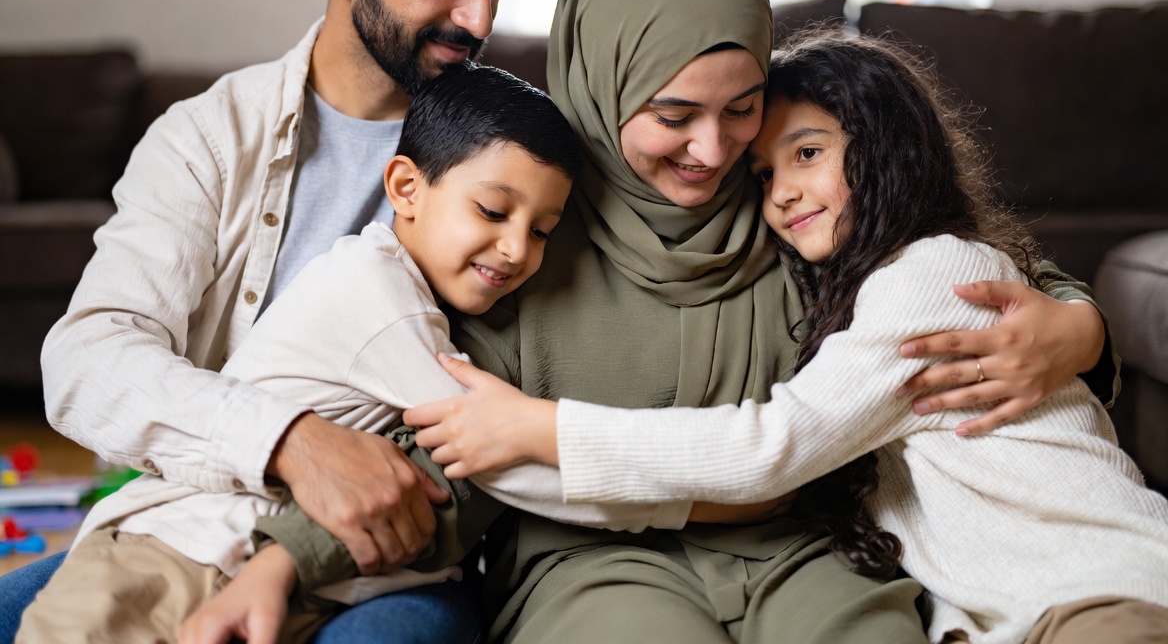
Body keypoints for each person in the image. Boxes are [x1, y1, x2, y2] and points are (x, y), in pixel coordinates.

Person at [258, 0, 1116, 643]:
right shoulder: (524, 233)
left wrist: (1081, 324)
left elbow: (958, 254)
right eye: (673, 116)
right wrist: (286, 558)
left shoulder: (796, 201)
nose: (713, 151)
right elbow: (443, 446)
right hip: (588, 561)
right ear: (600, 81)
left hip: (807, 552)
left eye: (741, 107)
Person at [409, 32, 1168, 644]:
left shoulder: (932, 274)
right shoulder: (836, 281)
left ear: (887, 148)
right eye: (764, 175)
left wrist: (544, 427)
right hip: (1006, 612)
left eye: (808, 154)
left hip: (1099, 592)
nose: (785, 193)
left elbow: (773, 445)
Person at [0, 0, 519, 642]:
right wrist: (291, 443)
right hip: (187, 530)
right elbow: (85, 359)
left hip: (383, 564)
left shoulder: (515, 167)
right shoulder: (207, 139)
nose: (478, 17)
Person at [20, 64, 689, 643]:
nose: (518, 248)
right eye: (492, 211)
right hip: (172, 547)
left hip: (266, 563)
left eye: (541, 230)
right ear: (404, 189)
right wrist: (673, 499)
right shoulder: (380, 297)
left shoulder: (415, 295)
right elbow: (493, 460)